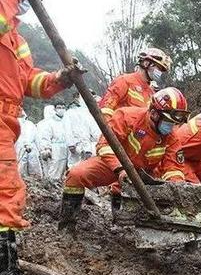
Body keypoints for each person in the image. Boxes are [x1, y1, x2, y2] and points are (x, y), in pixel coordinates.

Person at [0, 0, 84, 275]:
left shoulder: (16, 40)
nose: (25, 3)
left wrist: (60, 79)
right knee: (5, 194)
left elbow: (30, 82)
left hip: (7, 118)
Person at [61, 88, 190, 232]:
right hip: (114, 164)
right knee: (76, 174)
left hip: (145, 175)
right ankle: (67, 226)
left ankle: (127, 220)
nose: (171, 127)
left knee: (146, 206)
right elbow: (104, 145)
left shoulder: (172, 137)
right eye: (168, 122)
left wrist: (177, 190)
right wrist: (120, 168)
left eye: (174, 123)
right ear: (154, 114)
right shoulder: (127, 117)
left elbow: (173, 169)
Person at [99, 48, 172, 118]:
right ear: (146, 63)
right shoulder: (124, 81)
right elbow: (105, 109)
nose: (160, 72)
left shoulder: (152, 94)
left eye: (162, 70)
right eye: (158, 68)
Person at [63, 93, 101, 167]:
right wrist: (71, 144)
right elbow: (67, 130)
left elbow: (96, 132)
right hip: (78, 145)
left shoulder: (91, 112)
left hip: (91, 145)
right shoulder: (71, 113)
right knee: (75, 166)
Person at [36, 103, 68, 180]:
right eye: (59, 107)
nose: (61, 109)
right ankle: (51, 185)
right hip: (55, 148)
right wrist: (46, 148)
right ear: (55, 109)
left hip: (65, 148)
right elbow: (45, 137)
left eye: (63, 107)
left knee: (62, 170)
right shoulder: (49, 123)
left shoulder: (66, 121)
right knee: (53, 168)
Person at [15, 109, 42, 178]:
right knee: (20, 168)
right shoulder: (14, 124)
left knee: (34, 167)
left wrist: (40, 150)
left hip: (32, 149)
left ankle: (35, 183)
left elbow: (37, 138)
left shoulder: (30, 124)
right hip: (19, 148)